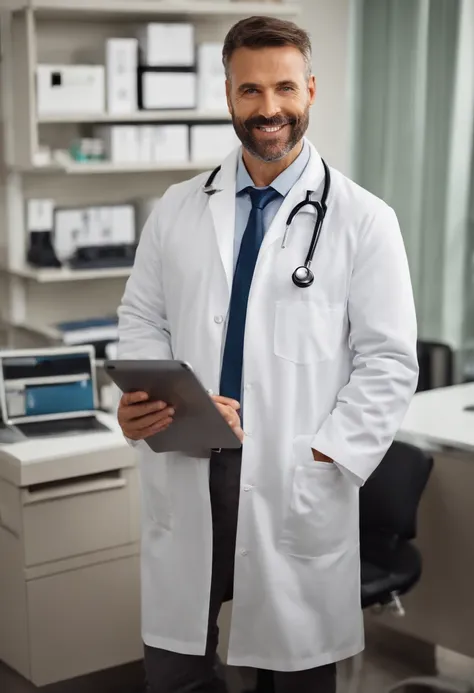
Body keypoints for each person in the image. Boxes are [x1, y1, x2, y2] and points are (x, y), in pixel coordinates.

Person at [116, 15, 419, 693]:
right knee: (175, 671)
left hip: (291, 476)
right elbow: (141, 319)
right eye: (250, 91)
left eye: (284, 87)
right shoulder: (177, 209)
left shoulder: (364, 219)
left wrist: (324, 454)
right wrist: (144, 401)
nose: (269, 109)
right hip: (190, 464)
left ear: (310, 90)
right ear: (228, 96)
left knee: (296, 675)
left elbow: (390, 360)